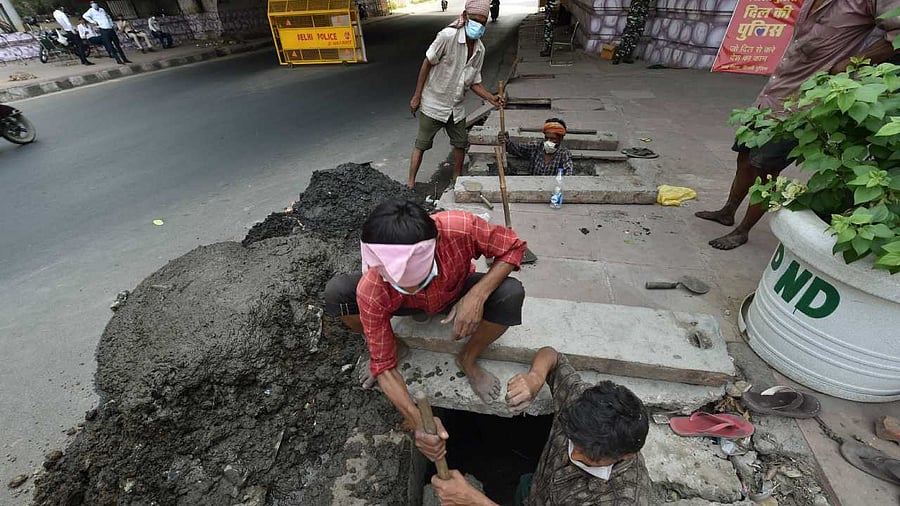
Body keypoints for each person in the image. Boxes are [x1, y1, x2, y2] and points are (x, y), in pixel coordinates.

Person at [696, 0, 900, 250]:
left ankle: (743, 230)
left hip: (803, 103)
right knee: (745, 155)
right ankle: (728, 211)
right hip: (775, 89)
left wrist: (852, 62)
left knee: (766, 169)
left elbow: (896, 34)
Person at [324, 201, 527, 451]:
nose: (405, 286)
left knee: (510, 293)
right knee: (340, 294)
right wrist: (418, 422)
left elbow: (513, 247)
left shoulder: (459, 229)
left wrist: (477, 296)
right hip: (400, 305)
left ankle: (468, 358)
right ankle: (395, 344)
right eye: (398, 282)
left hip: (453, 289)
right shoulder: (375, 287)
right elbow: (383, 367)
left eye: (413, 281)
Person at [431, 347, 652, 505]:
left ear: (627, 455)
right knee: (524, 486)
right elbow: (552, 356)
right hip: (537, 489)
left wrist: (474, 501)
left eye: (590, 457)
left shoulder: (624, 499)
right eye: (574, 441)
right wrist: (535, 378)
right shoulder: (580, 403)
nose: (573, 454)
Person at [407, 0, 503, 189]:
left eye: (483, 22)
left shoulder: (480, 50)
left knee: (460, 143)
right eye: (475, 20)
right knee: (422, 143)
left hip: (456, 107)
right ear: (466, 17)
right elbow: (427, 63)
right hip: (434, 102)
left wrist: (491, 98)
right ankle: (410, 183)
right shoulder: (447, 37)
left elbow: (475, 82)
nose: (479, 25)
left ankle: (456, 180)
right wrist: (417, 96)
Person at [498, 118, 575, 176]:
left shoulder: (564, 154)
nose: (548, 141)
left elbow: (568, 175)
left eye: (553, 139)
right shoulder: (537, 146)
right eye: (546, 138)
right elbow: (518, 149)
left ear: (561, 139)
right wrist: (506, 141)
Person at [612, 0, 651, 64]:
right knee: (627, 36)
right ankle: (618, 57)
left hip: (641, 16)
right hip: (634, 15)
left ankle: (627, 56)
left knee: (636, 36)